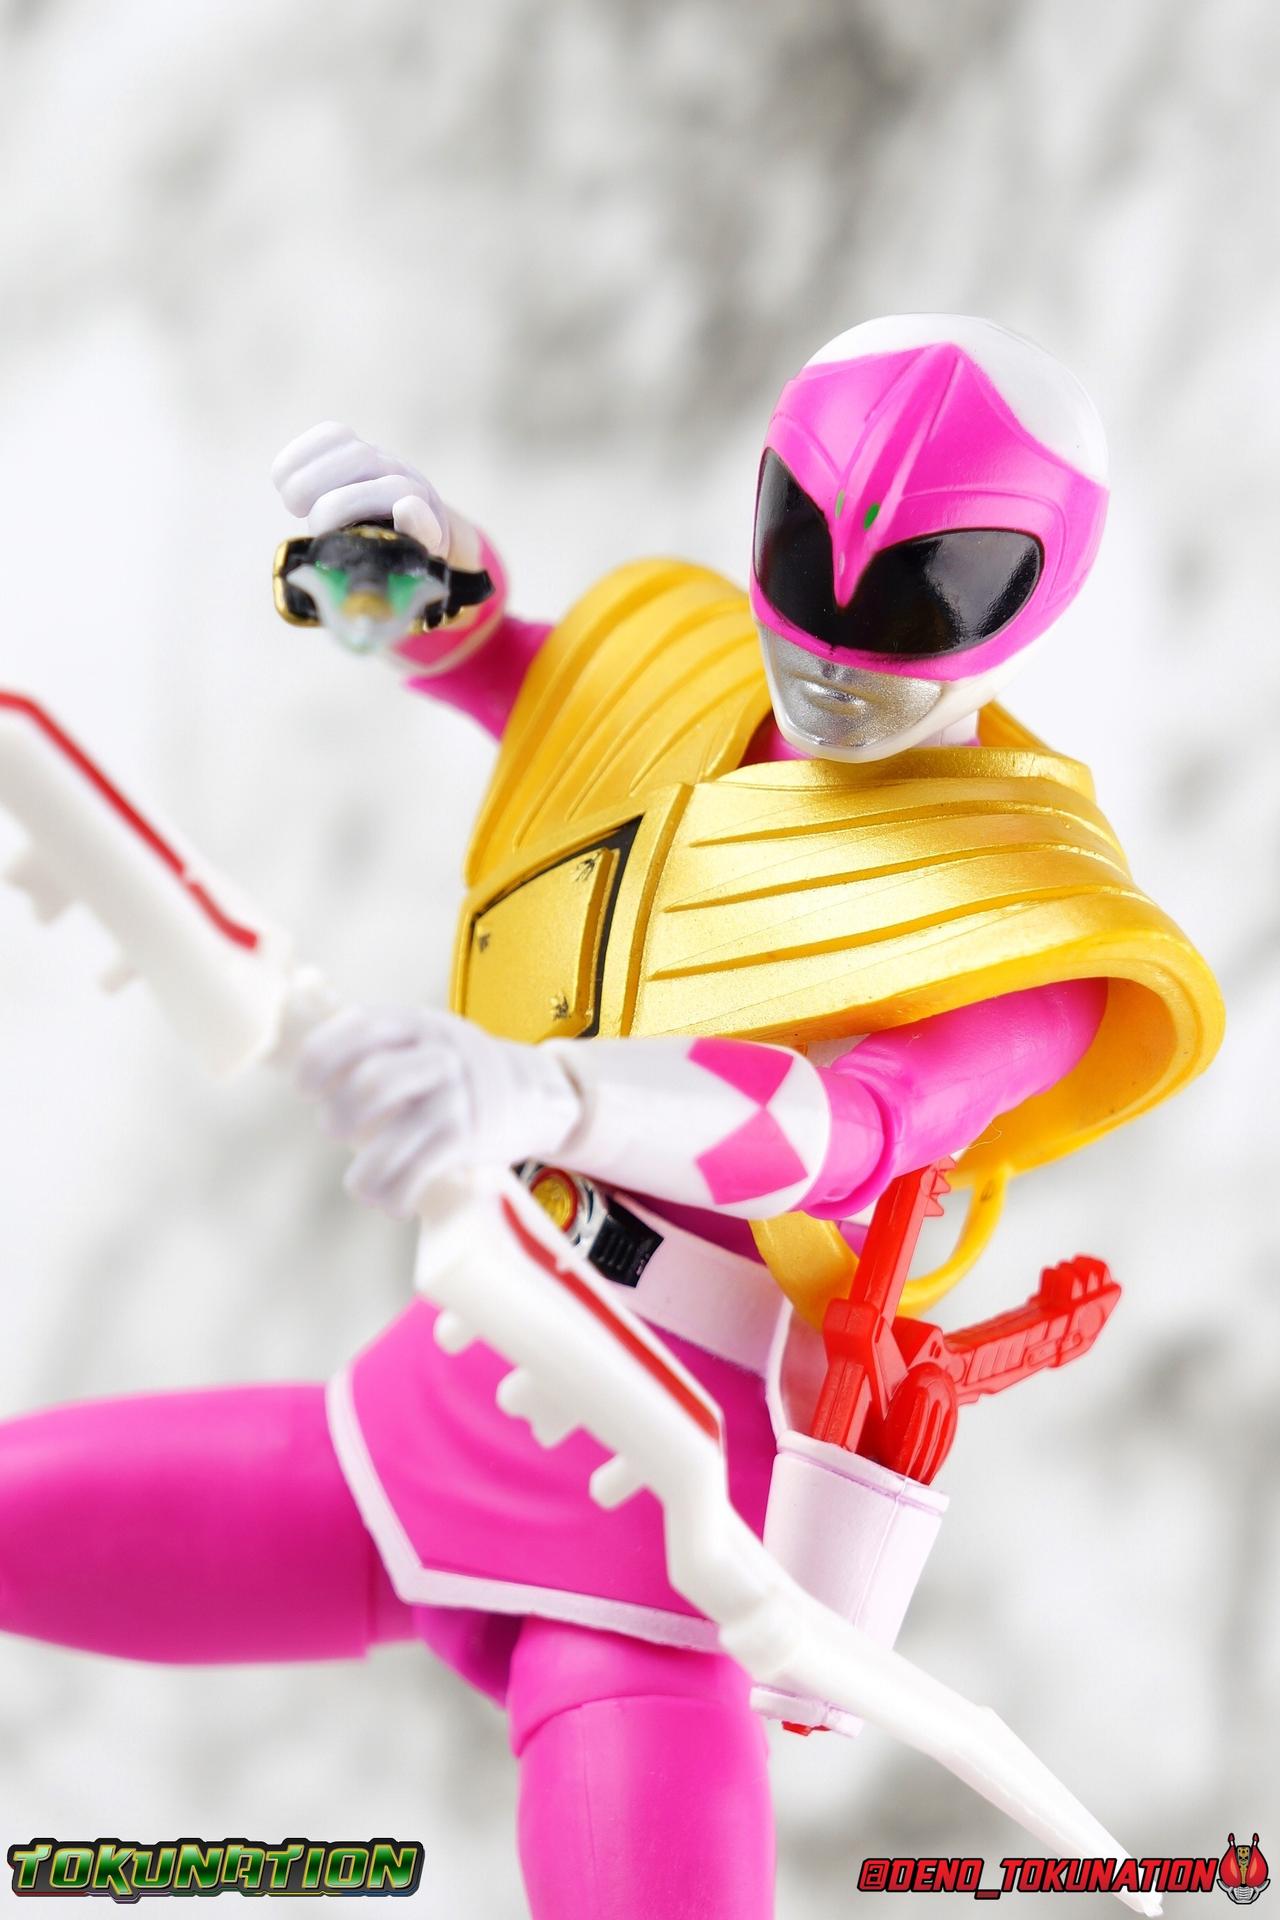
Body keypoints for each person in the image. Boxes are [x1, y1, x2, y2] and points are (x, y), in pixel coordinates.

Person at [0, 318, 1221, 1920]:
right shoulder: (689, 669)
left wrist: (554, 1091)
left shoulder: (1037, 919)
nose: (833, 655)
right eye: (806, 557)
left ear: (1040, 589)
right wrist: (410, 590)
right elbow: (523, 686)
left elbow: (847, 1130)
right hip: (455, 1377)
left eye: (927, 596)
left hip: (660, 1517)